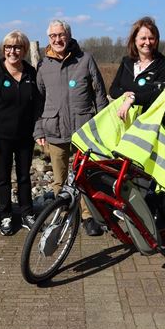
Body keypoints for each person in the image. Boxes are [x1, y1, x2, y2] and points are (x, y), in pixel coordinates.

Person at [33, 20, 109, 236]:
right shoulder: (43, 65)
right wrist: (38, 130)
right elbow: (37, 102)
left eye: (61, 35)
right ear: (49, 38)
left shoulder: (85, 60)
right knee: (59, 179)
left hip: (82, 131)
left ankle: (86, 217)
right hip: (54, 130)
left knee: (83, 178)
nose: (57, 39)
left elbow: (100, 96)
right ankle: (65, 215)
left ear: (69, 35)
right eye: (53, 36)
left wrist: (102, 128)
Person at [0, 30, 41, 236]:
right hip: (0, 138)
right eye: (8, 47)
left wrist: (39, 130)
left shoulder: (31, 73)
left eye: (17, 47)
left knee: (24, 176)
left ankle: (26, 213)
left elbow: (38, 105)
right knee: (3, 177)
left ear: (24, 50)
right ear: (3, 49)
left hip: (25, 137)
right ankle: (5, 215)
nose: (12, 51)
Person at [109, 16, 165, 119]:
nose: (147, 43)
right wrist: (124, 94)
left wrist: (133, 99)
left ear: (156, 41)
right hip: (124, 121)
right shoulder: (126, 62)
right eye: (143, 38)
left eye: (151, 38)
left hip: (150, 124)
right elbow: (113, 89)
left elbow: (159, 94)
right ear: (134, 40)